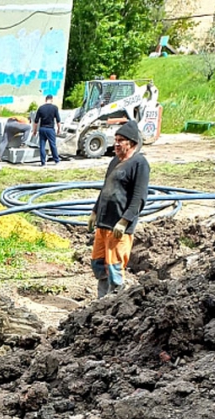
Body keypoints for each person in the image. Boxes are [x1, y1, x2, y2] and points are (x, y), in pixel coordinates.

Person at [87, 119, 150, 298]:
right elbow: (105, 189)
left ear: (132, 143)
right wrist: (94, 212)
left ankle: (114, 301)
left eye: (121, 140)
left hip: (119, 226)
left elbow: (139, 198)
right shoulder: (115, 161)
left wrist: (124, 221)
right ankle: (101, 300)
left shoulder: (139, 164)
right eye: (115, 139)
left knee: (115, 266)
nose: (116, 143)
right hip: (104, 222)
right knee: (98, 263)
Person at [32, 94, 61, 166]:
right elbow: (58, 120)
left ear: (45, 100)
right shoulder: (55, 108)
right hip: (50, 129)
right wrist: (59, 129)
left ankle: (43, 162)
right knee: (52, 145)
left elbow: (36, 121)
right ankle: (56, 161)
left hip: (42, 129)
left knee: (42, 146)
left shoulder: (41, 108)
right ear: (52, 100)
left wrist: (35, 131)